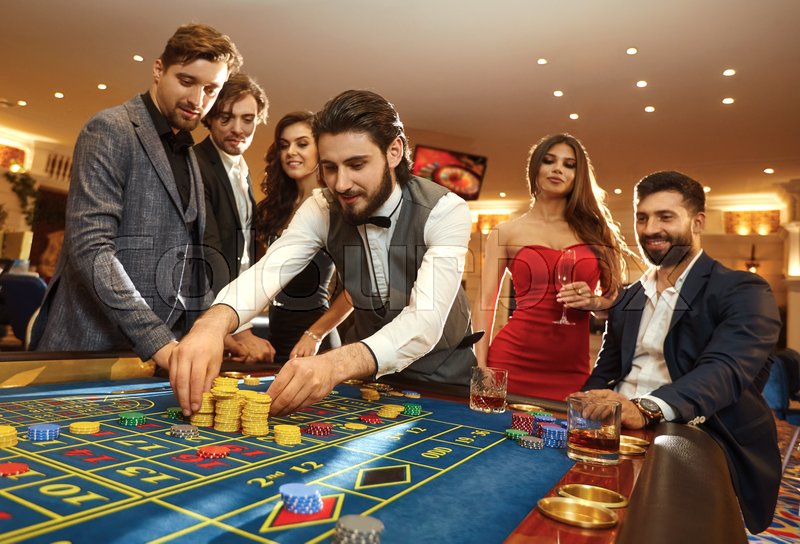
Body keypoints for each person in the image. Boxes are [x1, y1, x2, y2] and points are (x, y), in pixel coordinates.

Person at [169, 89, 476, 416]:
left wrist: (337, 362)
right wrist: (212, 325)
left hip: (442, 378)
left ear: (394, 151)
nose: (341, 184)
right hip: (366, 381)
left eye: (356, 164)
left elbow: (425, 322)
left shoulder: (445, 210)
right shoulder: (322, 206)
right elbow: (267, 273)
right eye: (330, 167)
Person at [577, 170, 781, 534]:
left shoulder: (742, 290)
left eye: (665, 216)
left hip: (694, 433)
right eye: (642, 217)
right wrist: (581, 410)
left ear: (697, 221)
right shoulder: (629, 296)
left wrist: (645, 407)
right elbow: (605, 370)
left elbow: (724, 371)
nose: (650, 228)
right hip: (618, 429)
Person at [29, 23, 242, 367]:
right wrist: (158, 342)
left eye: (211, 90)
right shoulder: (111, 128)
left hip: (158, 356)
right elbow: (92, 249)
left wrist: (206, 331)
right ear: (158, 69)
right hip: (90, 348)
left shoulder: (189, 152)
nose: (197, 100)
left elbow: (191, 261)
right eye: (187, 81)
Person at [472, 134, 628, 400]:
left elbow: (613, 305)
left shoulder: (597, 232)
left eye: (569, 165)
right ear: (535, 169)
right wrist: (480, 366)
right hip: (511, 360)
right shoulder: (505, 232)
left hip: (571, 370)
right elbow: (485, 302)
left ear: (578, 176)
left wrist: (595, 302)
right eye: (549, 161)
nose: (558, 169)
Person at [194, 72, 275, 364]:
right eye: (226, 117)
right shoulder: (197, 164)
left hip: (234, 314)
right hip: (203, 315)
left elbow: (242, 254)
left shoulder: (242, 170)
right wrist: (239, 328)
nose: (237, 128)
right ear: (210, 117)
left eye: (247, 119)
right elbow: (209, 249)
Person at [254, 111, 345, 363]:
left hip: (315, 340)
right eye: (284, 145)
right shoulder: (276, 208)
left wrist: (314, 335)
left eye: (302, 144)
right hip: (276, 335)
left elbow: (357, 291)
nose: (291, 151)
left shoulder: (333, 207)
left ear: (320, 149)